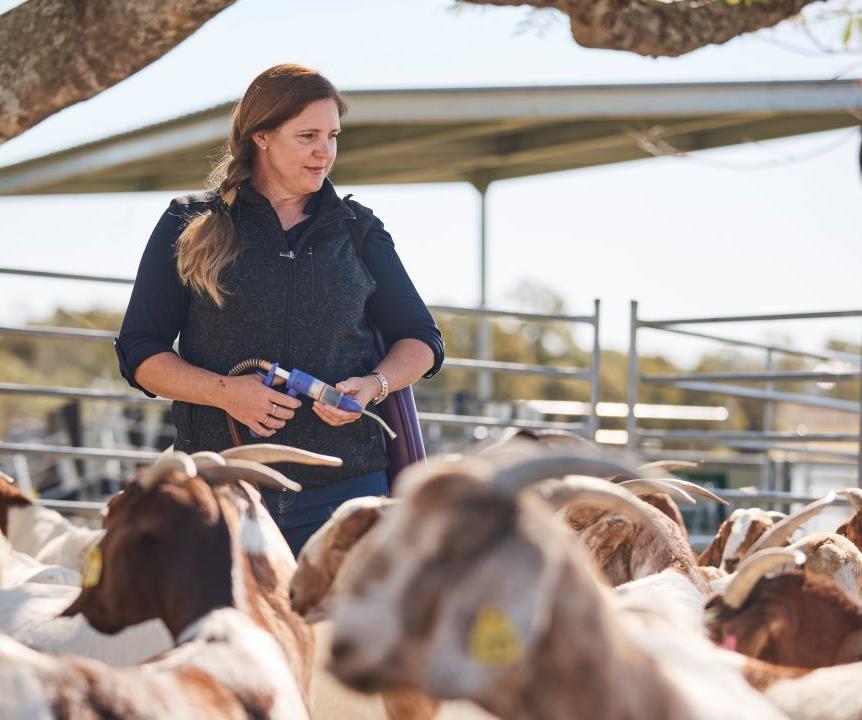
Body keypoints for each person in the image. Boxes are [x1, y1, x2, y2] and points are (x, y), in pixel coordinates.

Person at [115, 64, 444, 555]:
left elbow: (421, 339)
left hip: (348, 493)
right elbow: (139, 352)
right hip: (220, 490)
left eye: (332, 136)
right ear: (261, 137)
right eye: (307, 136)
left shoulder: (359, 230)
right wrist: (227, 393)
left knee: (343, 634)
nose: (324, 151)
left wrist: (374, 386)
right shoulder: (189, 222)